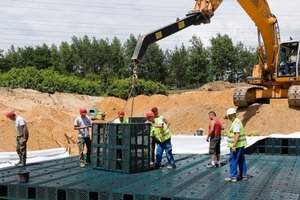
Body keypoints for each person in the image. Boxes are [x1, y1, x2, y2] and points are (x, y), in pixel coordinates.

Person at [225, 108, 248, 183]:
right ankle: (243, 175)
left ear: (231, 115)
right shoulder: (237, 121)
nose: (228, 117)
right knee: (241, 160)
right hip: (241, 145)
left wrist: (234, 145)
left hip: (237, 146)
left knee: (233, 160)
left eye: (228, 116)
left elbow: (237, 135)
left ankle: (233, 177)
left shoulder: (235, 123)